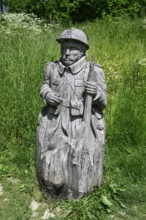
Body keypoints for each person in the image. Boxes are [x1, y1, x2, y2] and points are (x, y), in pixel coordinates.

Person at [36, 28, 107, 198]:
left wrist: (96, 92)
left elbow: (103, 101)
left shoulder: (93, 71)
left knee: (79, 160)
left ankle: (79, 191)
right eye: (64, 47)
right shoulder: (51, 68)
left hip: (79, 122)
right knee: (50, 158)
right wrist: (47, 94)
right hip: (55, 119)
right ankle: (49, 187)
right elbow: (45, 85)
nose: (67, 52)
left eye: (73, 48)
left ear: (83, 50)